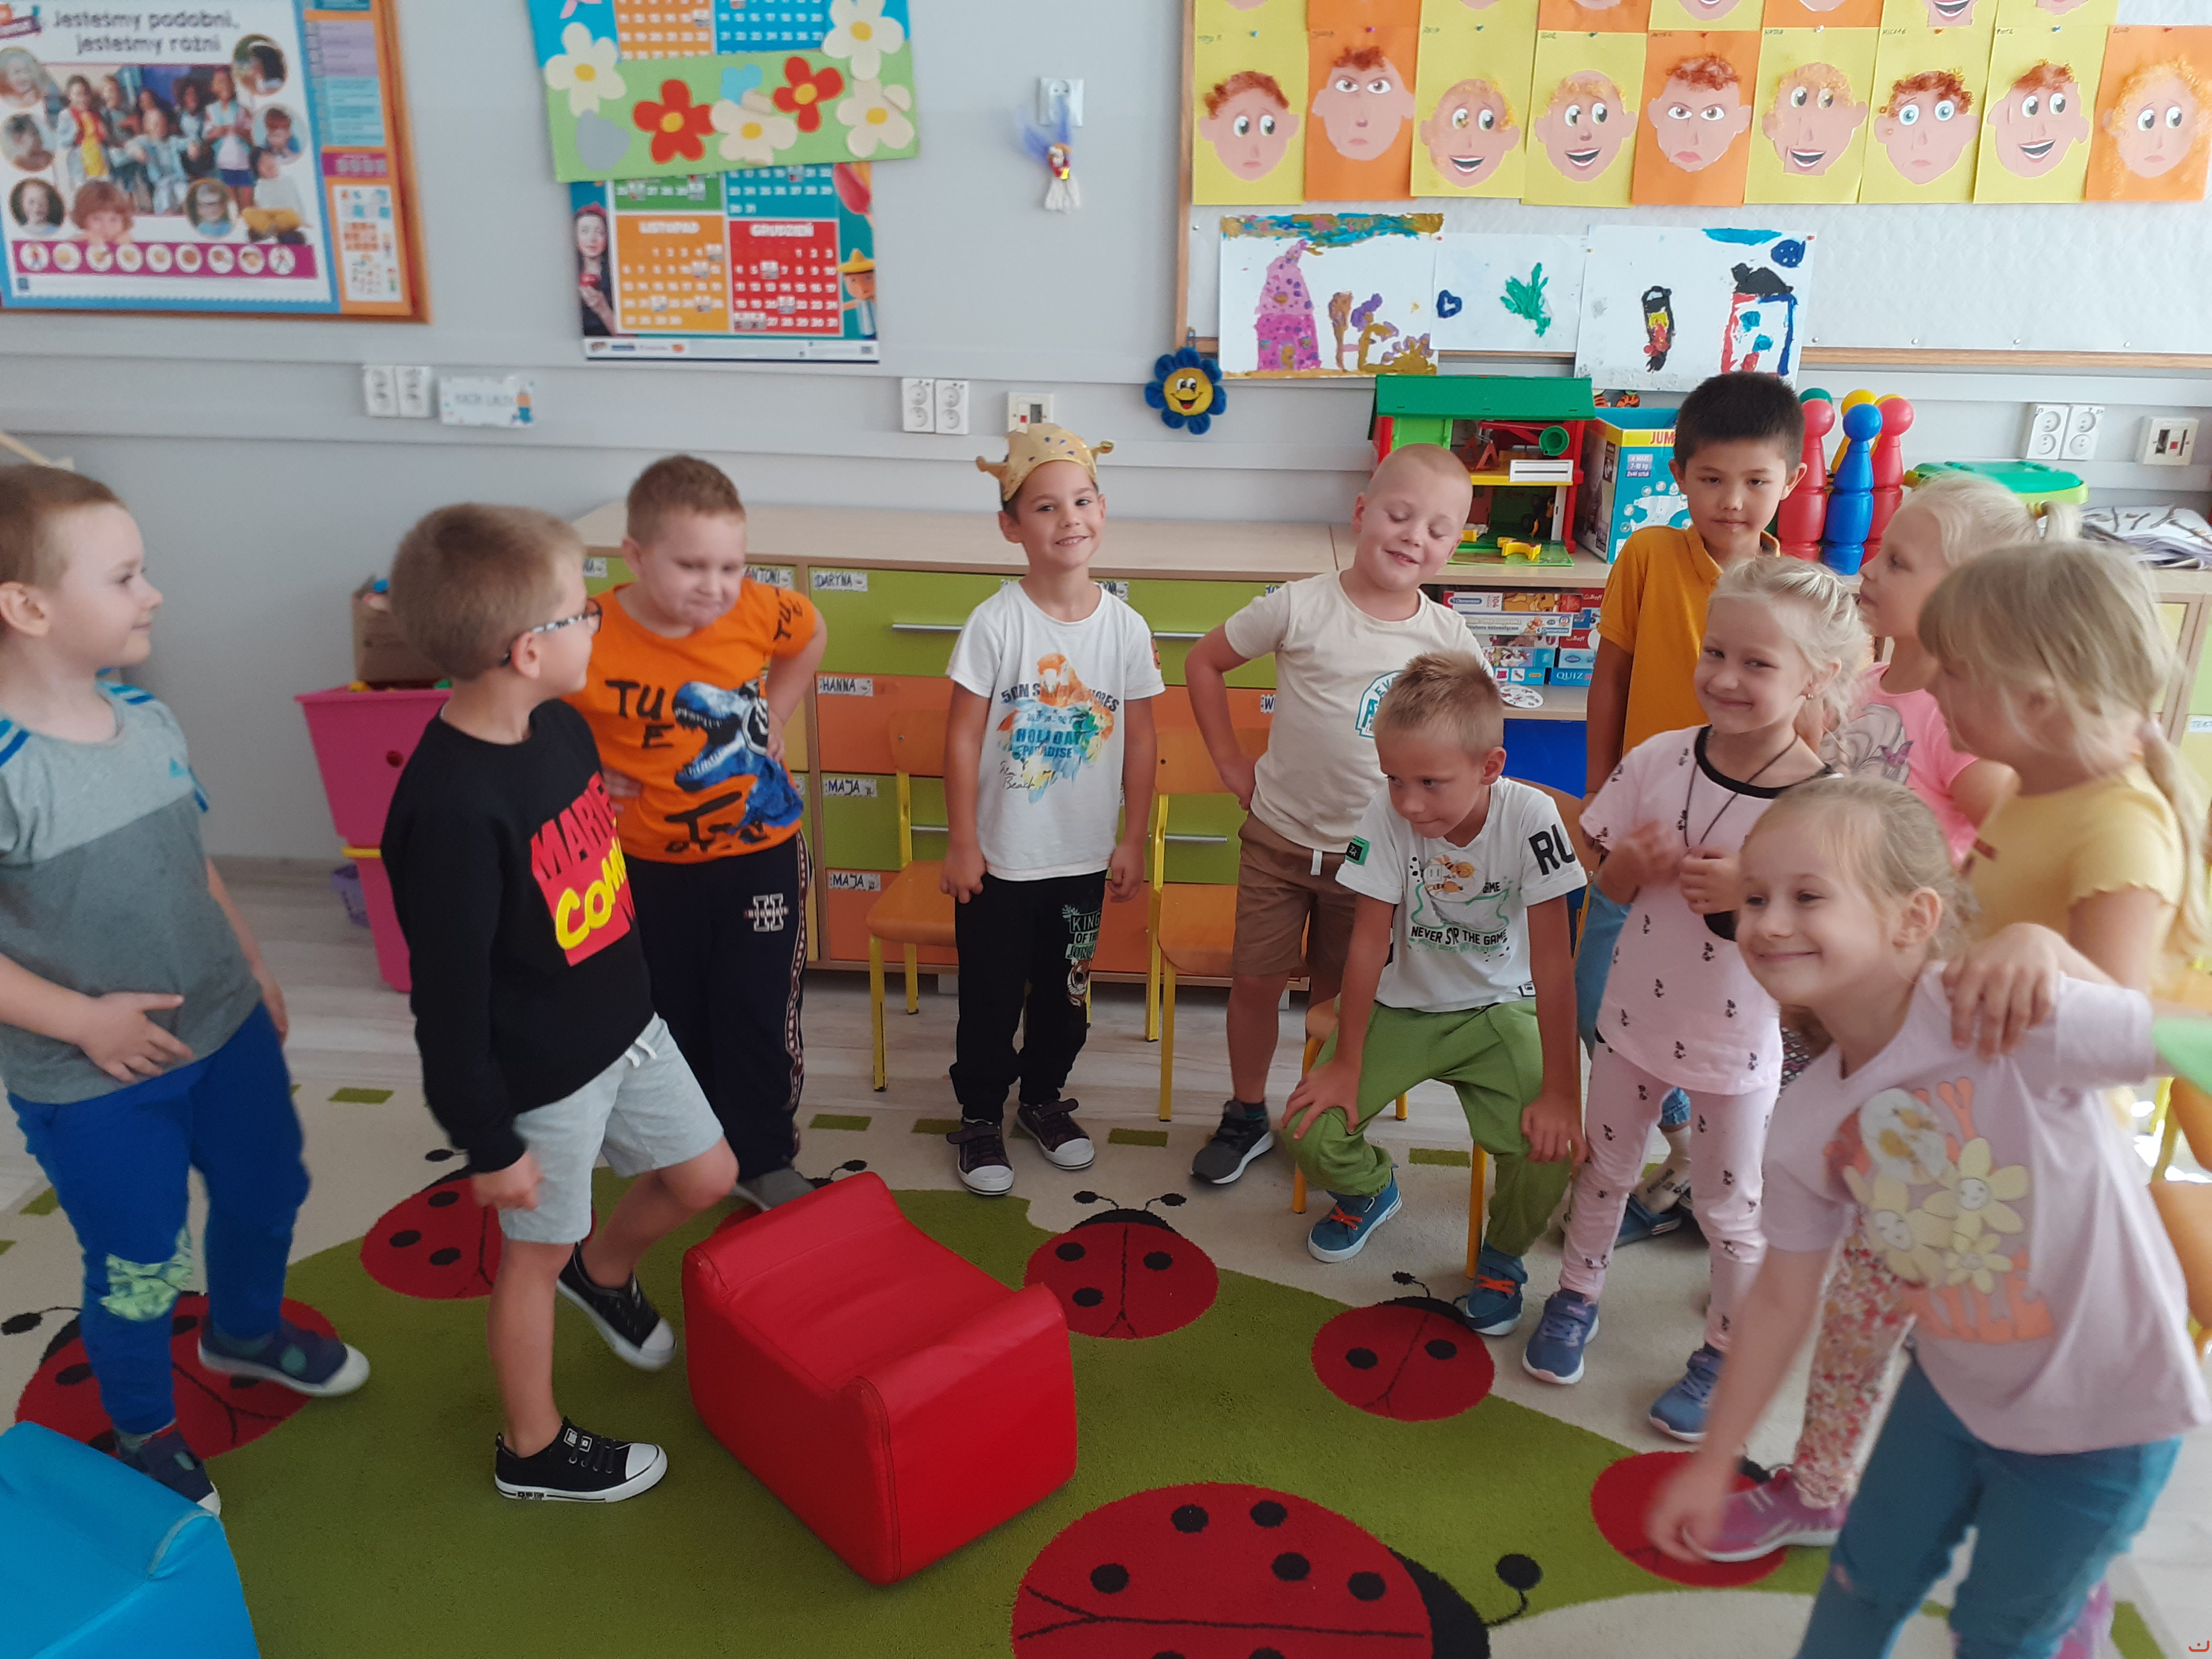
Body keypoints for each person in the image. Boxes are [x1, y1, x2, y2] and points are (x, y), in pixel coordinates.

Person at [1705, 538, 2205, 1581]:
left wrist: (2040, 950)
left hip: (2024, 1164)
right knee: (1865, 1321)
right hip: (1929, 1119)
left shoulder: (2122, 826)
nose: (1932, 686)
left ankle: (2052, 1566)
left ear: (2039, 696)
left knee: (1987, 1361)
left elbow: (2119, 1021)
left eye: (1956, 669)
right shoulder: (2035, 786)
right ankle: (1823, 1485)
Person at [1647, 776, 2209, 1659]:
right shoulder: (1805, 1120)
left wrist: (2051, 956)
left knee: (1999, 1637)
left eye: (1806, 896)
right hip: (1947, 1392)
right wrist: (1715, 1458)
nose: (1768, 922)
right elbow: (1781, 1299)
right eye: (1754, 898)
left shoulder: (2009, 1014)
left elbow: (2190, 1043)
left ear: (1912, 918)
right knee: (1860, 1586)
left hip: (2106, 1418)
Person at [0, 467, 370, 1515]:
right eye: (124, 577)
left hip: (224, 1027)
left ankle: (244, 1332)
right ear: (27, 607)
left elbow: (189, 862)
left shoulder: (146, 717)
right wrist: (83, 1022)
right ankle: (145, 1431)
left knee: (269, 1190)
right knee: (140, 1264)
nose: (153, 594)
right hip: (92, 1079)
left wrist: (250, 964)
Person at [382, 504, 737, 1502]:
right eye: (584, 611)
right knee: (532, 1259)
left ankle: (604, 1270)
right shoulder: (450, 811)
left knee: (706, 1175)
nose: (600, 621)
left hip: (627, 1027)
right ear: (528, 649)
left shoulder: (560, 726)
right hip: (542, 1076)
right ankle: (530, 1450)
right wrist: (489, 1143)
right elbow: (447, 1004)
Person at [1527, 556, 1863, 1438]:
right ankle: (1575, 1295)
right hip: (1632, 1024)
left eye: (1757, 663)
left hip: (1737, 1048)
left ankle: (1725, 1349)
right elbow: (1600, 875)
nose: (1725, 677)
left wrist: (1751, 899)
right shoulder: (1658, 758)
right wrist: (1621, 872)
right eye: (1716, 652)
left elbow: (1829, 945)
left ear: (1816, 677)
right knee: (1603, 1171)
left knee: (1729, 1209)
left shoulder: (1824, 807)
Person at [1181, 444, 1479, 1187]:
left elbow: (1473, 740)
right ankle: (1246, 1112)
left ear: (1454, 547)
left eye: (1437, 529)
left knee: (1338, 1003)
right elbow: (1203, 663)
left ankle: (1315, 1116)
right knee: (1255, 984)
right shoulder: (1299, 605)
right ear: (1361, 513)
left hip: (1373, 865)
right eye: (1399, 515)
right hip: (1278, 842)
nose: (1413, 537)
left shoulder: (1449, 639)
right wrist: (1230, 765)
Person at [1282, 653, 1587, 1307]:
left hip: (1501, 1007)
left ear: (1490, 767)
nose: (1409, 803)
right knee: (1309, 1128)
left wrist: (1563, 1090)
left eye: (1430, 783)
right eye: (1394, 779)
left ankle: (1502, 1257)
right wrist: (1348, 1061)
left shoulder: (1532, 817)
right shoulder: (1386, 815)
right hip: (1406, 1004)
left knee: (1549, 1148)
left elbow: (1554, 967)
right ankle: (1371, 1190)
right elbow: (1367, 945)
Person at [1581, 372, 1806, 1248]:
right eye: (1710, 478)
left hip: (1738, 854)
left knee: (1721, 1021)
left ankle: (1708, 1171)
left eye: (1754, 480)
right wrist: (1599, 790)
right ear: (1678, 474)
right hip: (1642, 832)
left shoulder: (1798, 589)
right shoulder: (1645, 556)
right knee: (1602, 1003)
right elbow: (1610, 677)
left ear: (1790, 480)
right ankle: (1674, 1147)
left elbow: (1811, 734)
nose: (1731, 499)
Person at [565, 457, 826, 1212]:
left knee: (756, 1006)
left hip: (759, 854)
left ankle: (763, 1156)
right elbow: (529, 704)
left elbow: (811, 633)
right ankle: (691, 1147)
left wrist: (779, 712)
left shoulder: (759, 609)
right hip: (644, 862)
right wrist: (585, 766)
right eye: (691, 566)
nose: (715, 586)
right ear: (635, 555)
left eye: (730, 566)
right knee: (670, 1010)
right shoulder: (586, 630)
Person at [940, 425, 1163, 1195]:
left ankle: (1041, 1099)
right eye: (1045, 506)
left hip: (1083, 861)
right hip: (1001, 861)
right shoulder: (995, 622)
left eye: (1082, 501)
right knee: (991, 998)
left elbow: (1143, 741)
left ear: (1103, 509)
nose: (1070, 518)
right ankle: (979, 1114)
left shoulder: (1127, 628)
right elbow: (961, 737)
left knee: (1066, 999)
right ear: (1011, 526)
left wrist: (1133, 837)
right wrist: (962, 841)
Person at [125, 103, 189, 215]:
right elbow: (129, 146)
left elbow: (187, 142)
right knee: (164, 194)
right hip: (161, 182)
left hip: (178, 179)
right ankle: (167, 211)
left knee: (184, 191)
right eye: (155, 125)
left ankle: (186, 209)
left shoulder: (172, 141)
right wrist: (137, 151)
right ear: (147, 127)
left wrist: (193, 146)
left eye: (162, 124)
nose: (159, 128)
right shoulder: (146, 141)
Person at [205, 66, 252, 210]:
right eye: (220, 82)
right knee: (231, 204)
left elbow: (252, 135)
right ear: (213, 87)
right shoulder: (211, 110)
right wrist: (218, 132)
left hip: (243, 162)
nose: (224, 85)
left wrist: (240, 131)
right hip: (224, 163)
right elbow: (207, 135)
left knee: (246, 205)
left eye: (227, 81)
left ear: (233, 85)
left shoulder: (242, 109)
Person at [240, 145, 302, 240]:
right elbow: (259, 206)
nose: (268, 164)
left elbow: (298, 203)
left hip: (285, 217)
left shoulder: (288, 181)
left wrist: (302, 220)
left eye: (269, 158)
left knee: (290, 215)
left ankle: (271, 230)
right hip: (268, 219)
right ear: (257, 170)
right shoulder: (259, 186)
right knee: (247, 213)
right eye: (262, 163)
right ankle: (269, 230)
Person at [576, 203, 618, 336]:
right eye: (585, 231)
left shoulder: (617, 278)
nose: (592, 239)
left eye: (599, 232)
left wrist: (603, 310)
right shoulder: (565, 275)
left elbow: (631, 340)